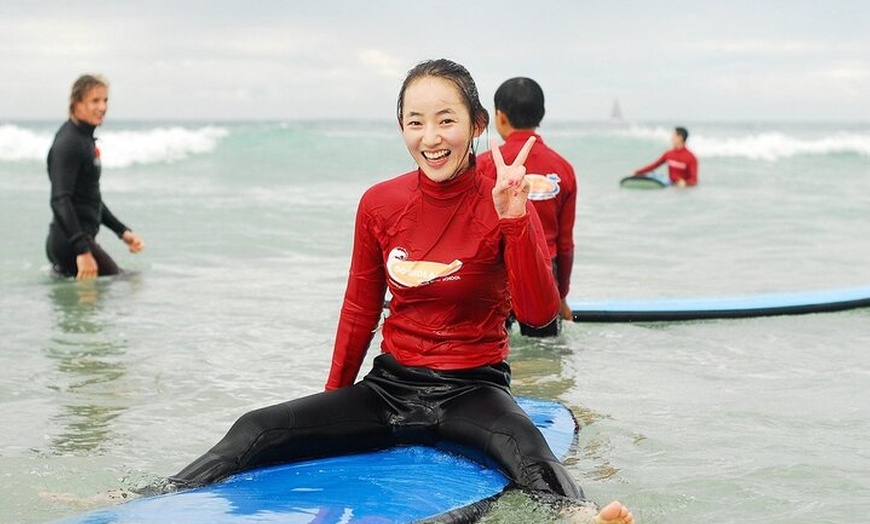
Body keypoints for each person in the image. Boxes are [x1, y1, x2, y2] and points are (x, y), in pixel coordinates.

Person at [170, 59, 633, 524]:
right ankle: (152, 497)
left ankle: (582, 517)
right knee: (256, 428)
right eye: (416, 122)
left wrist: (514, 220)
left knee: (529, 453)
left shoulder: (505, 199)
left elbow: (538, 316)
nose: (430, 138)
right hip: (389, 389)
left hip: (473, 390)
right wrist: (333, 407)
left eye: (446, 120)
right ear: (402, 127)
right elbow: (359, 309)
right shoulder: (380, 203)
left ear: (478, 124)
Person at [478, 77, 577, 337]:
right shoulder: (563, 168)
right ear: (541, 114)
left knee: (496, 348)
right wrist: (561, 295)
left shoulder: (484, 165)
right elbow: (565, 244)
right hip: (545, 274)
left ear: (499, 116)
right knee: (545, 357)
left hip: (496, 272)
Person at [46, 74, 145, 280]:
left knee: (86, 305)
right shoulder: (70, 143)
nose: (102, 107)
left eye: (105, 100)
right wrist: (82, 252)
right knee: (123, 281)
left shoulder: (83, 139)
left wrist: (122, 232)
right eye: (95, 100)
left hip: (72, 242)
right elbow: (59, 200)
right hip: (72, 243)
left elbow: (89, 198)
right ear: (77, 103)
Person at [633, 126, 698, 187]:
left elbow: (694, 180)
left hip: (682, 189)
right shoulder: (669, 154)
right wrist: (638, 172)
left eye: (674, 136)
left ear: (680, 138)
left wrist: (685, 183)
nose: (671, 138)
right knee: (652, 175)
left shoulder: (691, 157)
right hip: (670, 185)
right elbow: (654, 165)